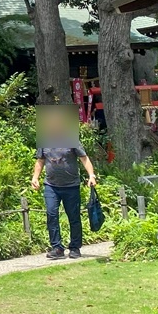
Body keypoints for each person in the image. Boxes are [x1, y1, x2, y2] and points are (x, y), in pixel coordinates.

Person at [30, 104, 97, 259]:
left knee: (73, 216)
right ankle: (57, 248)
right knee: (51, 214)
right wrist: (35, 177)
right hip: (51, 185)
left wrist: (91, 175)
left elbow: (84, 159)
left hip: (71, 186)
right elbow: (40, 161)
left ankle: (75, 247)